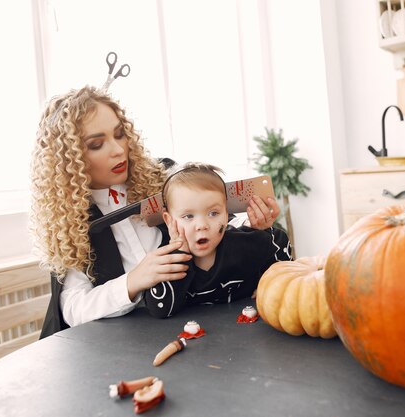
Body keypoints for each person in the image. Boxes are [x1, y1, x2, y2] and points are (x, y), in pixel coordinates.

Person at [31, 86, 280, 338]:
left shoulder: (167, 177)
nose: (118, 149)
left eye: (119, 134)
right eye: (97, 144)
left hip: (200, 327)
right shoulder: (69, 222)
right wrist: (134, 280)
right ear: (68, 159)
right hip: (124, 344)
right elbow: (74, 309)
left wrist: (253, 224)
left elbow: (215, 228)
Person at [144, 162, 292, 318]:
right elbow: (160, 309)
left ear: (226, 214)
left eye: (213, 213)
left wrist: (273, 283)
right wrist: (180, 256)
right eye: (188, 216)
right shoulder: (167, 263)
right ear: (168, 220)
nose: (201, 225)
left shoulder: (242, 244)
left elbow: (278, 241)